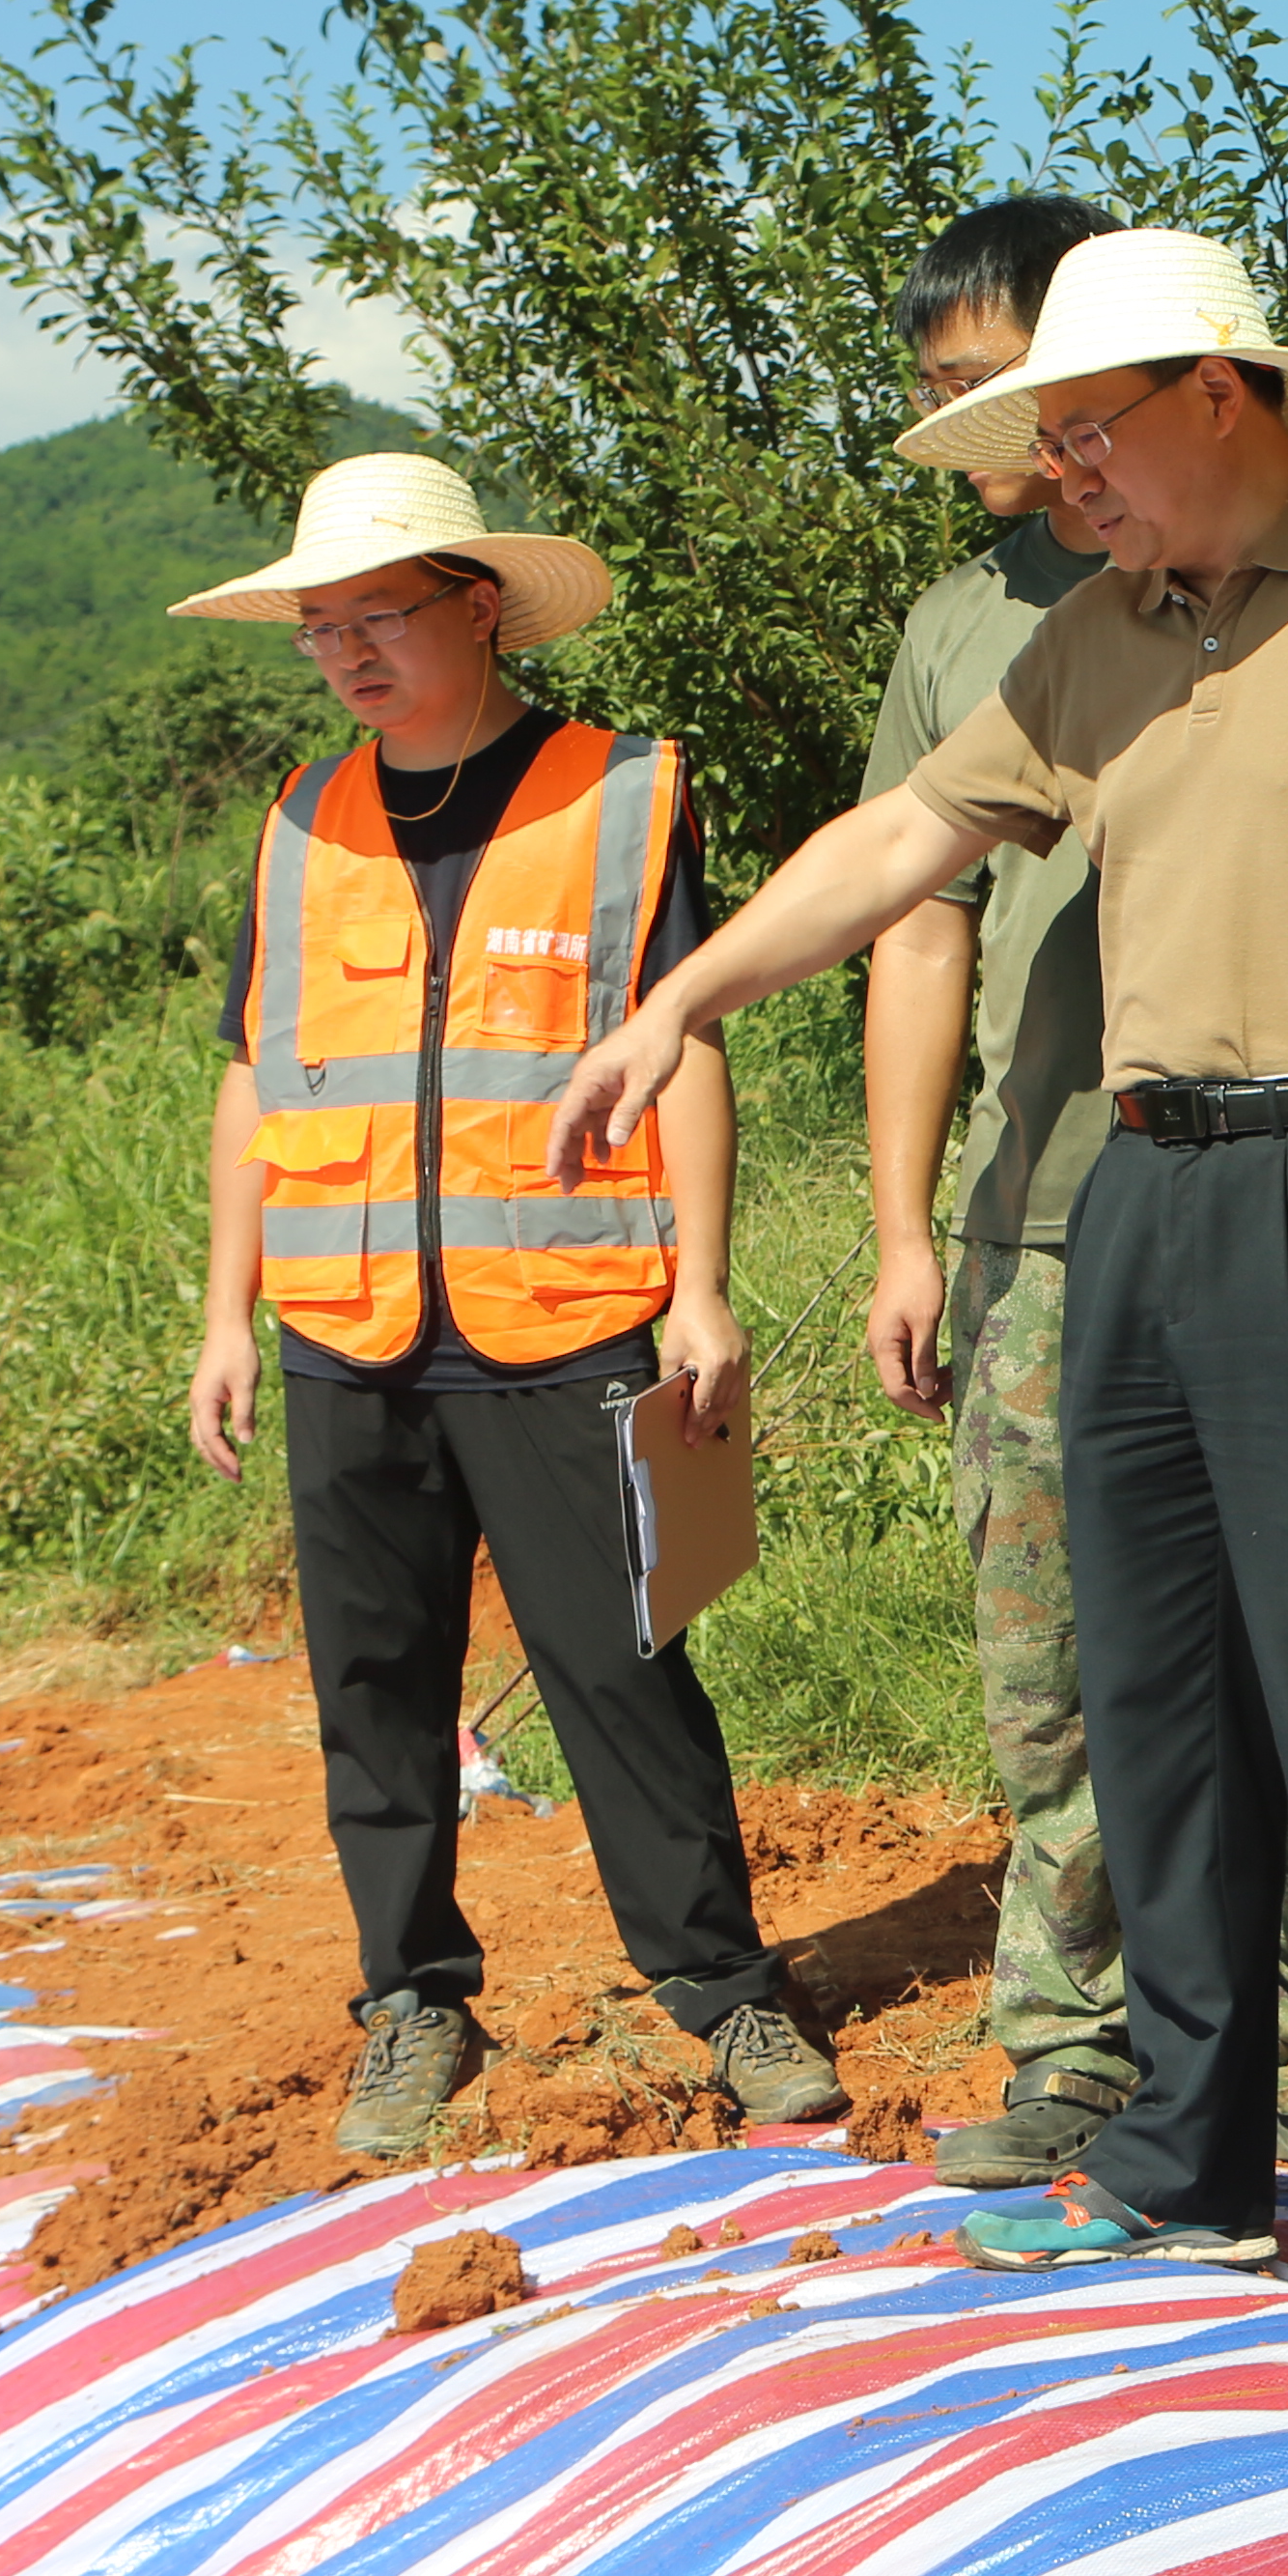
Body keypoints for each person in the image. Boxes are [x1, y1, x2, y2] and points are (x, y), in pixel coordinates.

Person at [549, 229, 1288, 2297]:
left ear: (1222, 393)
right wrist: (693, 1003)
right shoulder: (1101, 634)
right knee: (1155, 1689)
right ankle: (1188, 2144)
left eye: (1091, 433)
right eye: (1048, 447)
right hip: (1144, 1196)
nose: (1065, 480)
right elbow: (901, 847)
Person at [173, 450, 852, 2162]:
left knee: (622, 1660)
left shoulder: (615, 795)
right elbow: (260, 1076)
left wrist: (704, 1285)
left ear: (481, 608)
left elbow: (680, 1041)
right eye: (320, 626)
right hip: (346, 1322)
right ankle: (414, 2002)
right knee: (373, 1681)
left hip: (563, 1307)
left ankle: (718, 1991)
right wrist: (223, 1316)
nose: (346, 653)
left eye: (378, 616)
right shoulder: (299, 819)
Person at [860, 194, 1288, 2190]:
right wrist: (903, 1223)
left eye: (1008, 389)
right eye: (950, 402)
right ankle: (1073, 2038)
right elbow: (915, 923)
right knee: (1052, 1671)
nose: (993, 438)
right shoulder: (964, 627)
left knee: (1282, 1645)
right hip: (1039, 1214)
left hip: (1267, 1186)